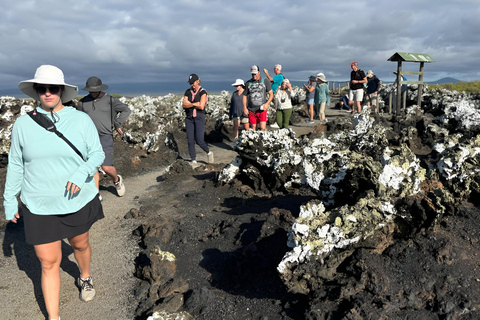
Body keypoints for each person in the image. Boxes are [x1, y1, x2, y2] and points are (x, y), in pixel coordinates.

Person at [4, 65, 105, 320]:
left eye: (53, 88)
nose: (47, 93)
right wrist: (9, 200)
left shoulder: (80, 120)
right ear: (36, 91)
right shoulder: (22, 125)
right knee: (49, 263)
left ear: (62, 90)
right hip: (38, 205)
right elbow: (16, 164)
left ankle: (84, 276)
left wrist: (79, 174)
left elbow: (97, 154)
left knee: (80, 245)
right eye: (42, 88)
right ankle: (54, 317)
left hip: (76, 200)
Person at [77, 76, 130, 197]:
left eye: (95, 89)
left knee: (106, 167)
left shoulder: (111, 100)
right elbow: (78, 119)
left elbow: (126, 110)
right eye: (90, 90)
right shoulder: (82, 103)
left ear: (100, 88)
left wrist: (117, 123)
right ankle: (96, 195)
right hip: (88, 139)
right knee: (92, 168)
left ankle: (117, 180)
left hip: (105, 136)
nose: (92, 92)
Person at [182, 73, 214, 164]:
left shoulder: (203, 92)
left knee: (199, 140)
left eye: (193, 83)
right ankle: (193, 160)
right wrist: (195, 104)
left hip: (199, 117)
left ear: (197, 81)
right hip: (189, 117)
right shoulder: (187, 92)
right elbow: (184, 105)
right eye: (190, 83)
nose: (192, 85)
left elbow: (201, 107)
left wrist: (190, 104)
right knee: (190, 139)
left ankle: (208, 152)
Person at [243, 65, 274, 131]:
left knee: (263, 128)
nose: (254, 75)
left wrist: (267, 104)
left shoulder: (265, 81)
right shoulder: (248, 83)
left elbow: (271, 94)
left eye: (255, 73)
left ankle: (265, 139)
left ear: (259, 72)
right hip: (251, 110)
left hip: (262, 109)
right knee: (253, 128)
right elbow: (244, 96)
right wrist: (245, 108)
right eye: (253, 74)